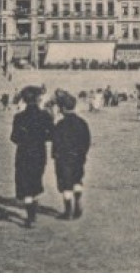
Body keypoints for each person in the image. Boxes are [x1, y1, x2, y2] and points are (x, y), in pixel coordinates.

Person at [10, 85, 53, 227]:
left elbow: (14, 138)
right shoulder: (45, 116)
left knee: (25, 185)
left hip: (23, 154)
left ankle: (30, 215)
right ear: (38, 99)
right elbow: (51, 135)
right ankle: (32, 213)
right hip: (39, 153)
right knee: (35, 182)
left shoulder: (19, 117)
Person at [50, 90, 91, 220]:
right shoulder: (82, 123)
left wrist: (55, 155)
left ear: (62, 108)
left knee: (66, 184)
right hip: (78, 157)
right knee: (77, 179)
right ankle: (78, 200)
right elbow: (87, 140)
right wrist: (83, 153)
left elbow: (55, 141)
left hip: (64, 159)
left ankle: (68, 211)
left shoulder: (60, 125)